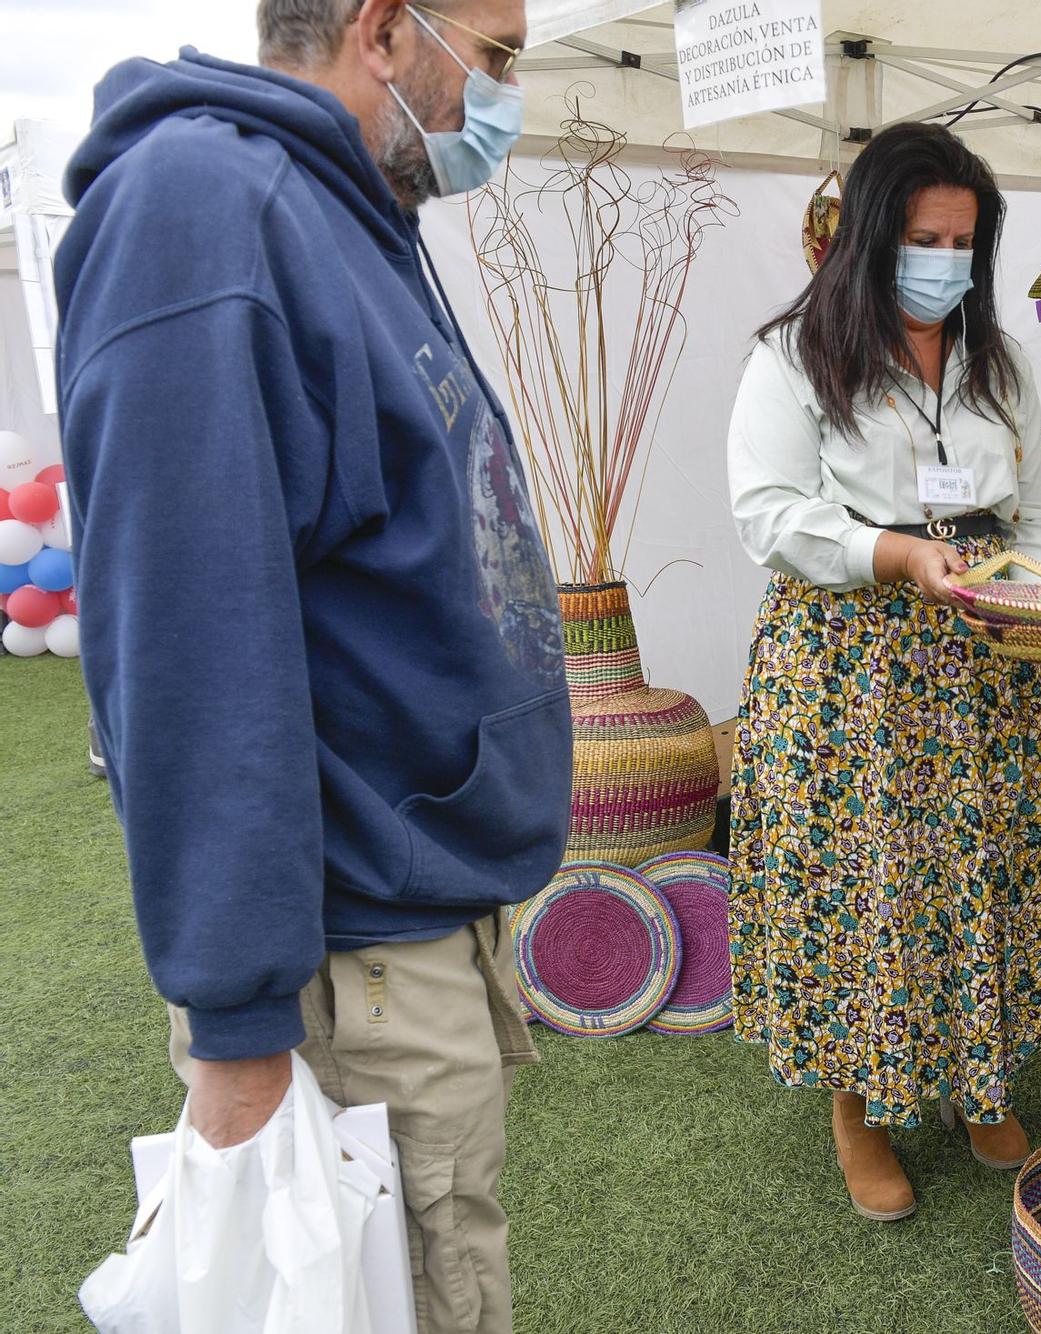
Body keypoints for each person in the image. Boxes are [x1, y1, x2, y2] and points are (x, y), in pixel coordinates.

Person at [56, 3, 565, 1330]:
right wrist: (238, 1027)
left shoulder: (341, 208)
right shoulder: (206, 207)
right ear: (386, 29)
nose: (503, 96)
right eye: (496, 56)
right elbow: (182, 633)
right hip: (354, 967)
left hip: (409, 930)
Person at [726, 122, 1041, 1222]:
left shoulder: (995, 364)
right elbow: (768, 514)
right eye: (923, 236)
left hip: (980, 662)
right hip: (848, 671)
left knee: (977, 871)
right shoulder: (794, 356)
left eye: (964, 241)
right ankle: (856, 1111)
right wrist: (893, 554)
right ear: (873, 238)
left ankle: (978, 1079)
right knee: (863, 888)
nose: (945, 259)